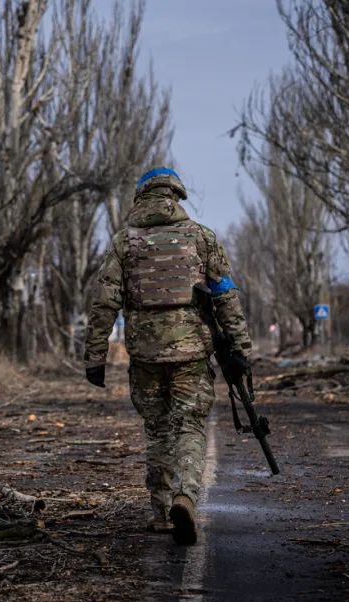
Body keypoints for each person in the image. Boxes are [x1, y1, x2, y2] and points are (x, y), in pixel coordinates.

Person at [82, 167, 252, 545]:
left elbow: (104, 303)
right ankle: (185, 497)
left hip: (144, 354)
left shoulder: (123, 243)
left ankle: (161, 513)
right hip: (192, 352)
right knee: (189, 426)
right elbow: (225, 296)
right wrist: (240, 348)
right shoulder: (201, 238)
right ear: (176, 196)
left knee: (157, 429)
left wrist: (95, 357)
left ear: (141, 197)